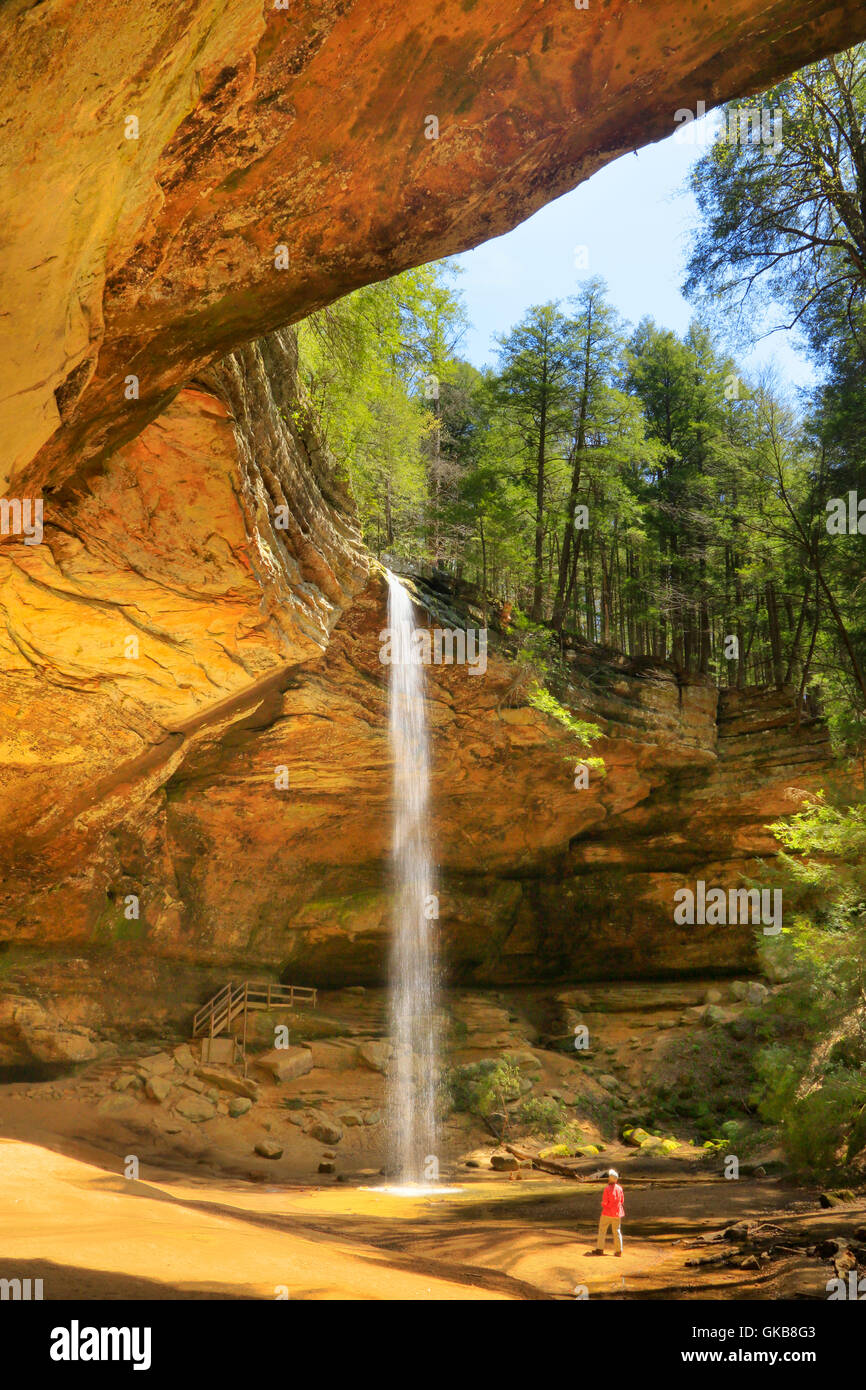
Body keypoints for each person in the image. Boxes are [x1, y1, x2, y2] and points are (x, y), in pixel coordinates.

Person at [596, 1168, 625, 1256]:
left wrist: (603, 1204)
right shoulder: (619, 1188)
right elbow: (622, 1200)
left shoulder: (607, 1189)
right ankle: (618, 1251)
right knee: (617, 1231)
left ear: (610, 1179)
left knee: (602, 1230)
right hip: (617, 1213)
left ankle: (600, 1249)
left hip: (607, 1213)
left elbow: (605, 1202)